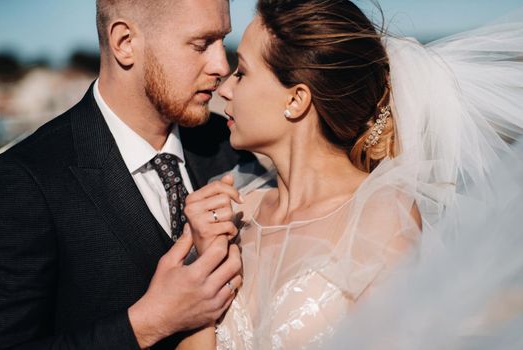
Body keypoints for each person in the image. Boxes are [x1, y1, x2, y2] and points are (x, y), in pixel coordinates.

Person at [177, 0, 523, 349]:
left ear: (296, 100)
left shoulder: (381, 219)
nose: (225, 89)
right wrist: (208, 266)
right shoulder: (235, 213)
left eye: (243, 73)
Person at [0, 0, 257, 349]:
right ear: (124, 42)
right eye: (200, 45)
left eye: (221, 41)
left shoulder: (232, 144)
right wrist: (148, 322)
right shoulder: (26, 179)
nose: (221, 65)